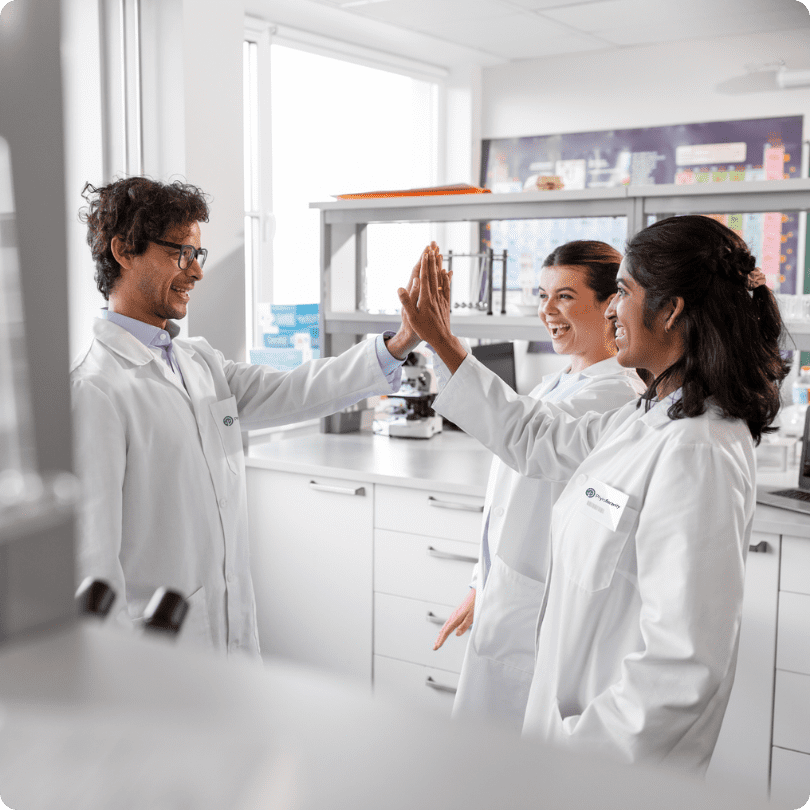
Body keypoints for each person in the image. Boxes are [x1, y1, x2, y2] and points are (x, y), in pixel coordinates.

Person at [398, 216, 787, 773]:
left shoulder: (698, 448)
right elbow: (535, 437)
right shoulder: (647, 415)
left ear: (670, 309)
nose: (611, 312)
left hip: (607, 764)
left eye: (623, 293)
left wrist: (580, 765)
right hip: (568, 736)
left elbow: (682, 664)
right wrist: (443, 342)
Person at [71, 177, 424, 659]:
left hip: (230, 635)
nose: (196, 272)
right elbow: (93, 563)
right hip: (160, 659)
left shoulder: (198, 361)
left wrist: (397, 345)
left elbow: (292, 391)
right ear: (124, 251)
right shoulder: (97, 390)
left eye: (199, 255)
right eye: (181, 253)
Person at [432, 242, 644, 732]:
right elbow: (506, 507)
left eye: (565, 296)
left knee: (522, 759)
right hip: (510, 594)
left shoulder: (615, 394)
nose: (546, 310)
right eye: (542, 294)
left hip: (548, 609)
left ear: (611, 304)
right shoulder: (553, 386)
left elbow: (529, 437)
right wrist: (478, 584)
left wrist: (445, 343)